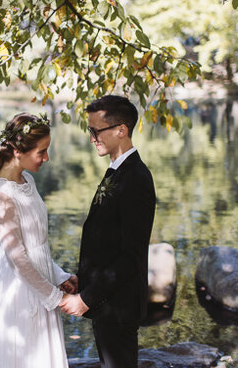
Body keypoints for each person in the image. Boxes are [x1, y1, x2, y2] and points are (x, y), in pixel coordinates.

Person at [60, 95, 156, 368]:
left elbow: (130, 255)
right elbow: (107, 241)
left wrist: (86, 299)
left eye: (95, 130)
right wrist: (84, 278)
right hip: (107, 299)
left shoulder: (136, 178)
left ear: (121, 130)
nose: (91, 137)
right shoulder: (118, 171)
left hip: (119, 305)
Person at [0, 113, 77, 368]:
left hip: (42, 281)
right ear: (17, 150)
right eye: (42, 152)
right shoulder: (2, 195)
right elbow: (17, 257)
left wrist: (60, 277)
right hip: (21, 292)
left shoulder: (27, 180)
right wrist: (57, 299)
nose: (47, 158)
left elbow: (36, 246)